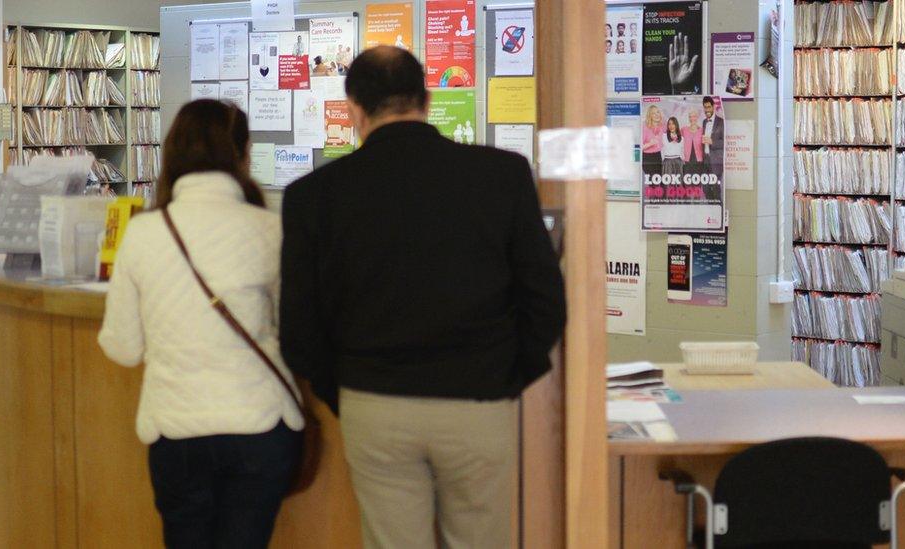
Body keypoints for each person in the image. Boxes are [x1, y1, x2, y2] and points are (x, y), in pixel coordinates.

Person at [280, 46, 565, 549]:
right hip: (478, 399)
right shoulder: (501, 175)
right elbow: (545, 301)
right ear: (426, 101)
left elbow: (300, 329)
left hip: (374, 402)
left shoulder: (314, 195)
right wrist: (506, 377)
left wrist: (345, 390)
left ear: (354, 110)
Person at [98, 99, 304, 549]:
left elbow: (123, 347)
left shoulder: (143, 233)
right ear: (243, 155)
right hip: (259, 425)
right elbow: (295, 331)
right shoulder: (269, 229)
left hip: (177, 429)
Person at [702, 96, 725, 179]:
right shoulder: (704, 122)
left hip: (716, 161)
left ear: (713, 107)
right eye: (705, 107)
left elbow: (724, 142)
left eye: (709, 107)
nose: (707, 110)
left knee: (716, 189)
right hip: (705, 161)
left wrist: (712, 142)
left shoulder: (721, 122)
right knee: (705, 189)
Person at [642, 104, 665, 176]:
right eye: (653, 113)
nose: (656, 115)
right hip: (647, 158)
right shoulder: (645, 128)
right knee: (652, 182)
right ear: (650, 116)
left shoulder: (662, 126)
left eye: (657, 112)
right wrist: (650, 144)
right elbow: (640, 147)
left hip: (658, 156)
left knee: (660, 180)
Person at [682, 108, 705, 174]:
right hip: (686, 161)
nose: (692, 119)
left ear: (697, 117)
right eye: (690, 117)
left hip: (699, 161)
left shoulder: (702, 130)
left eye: (694, 116)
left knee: (698, 181)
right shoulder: (684, 130)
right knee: (687, 181)